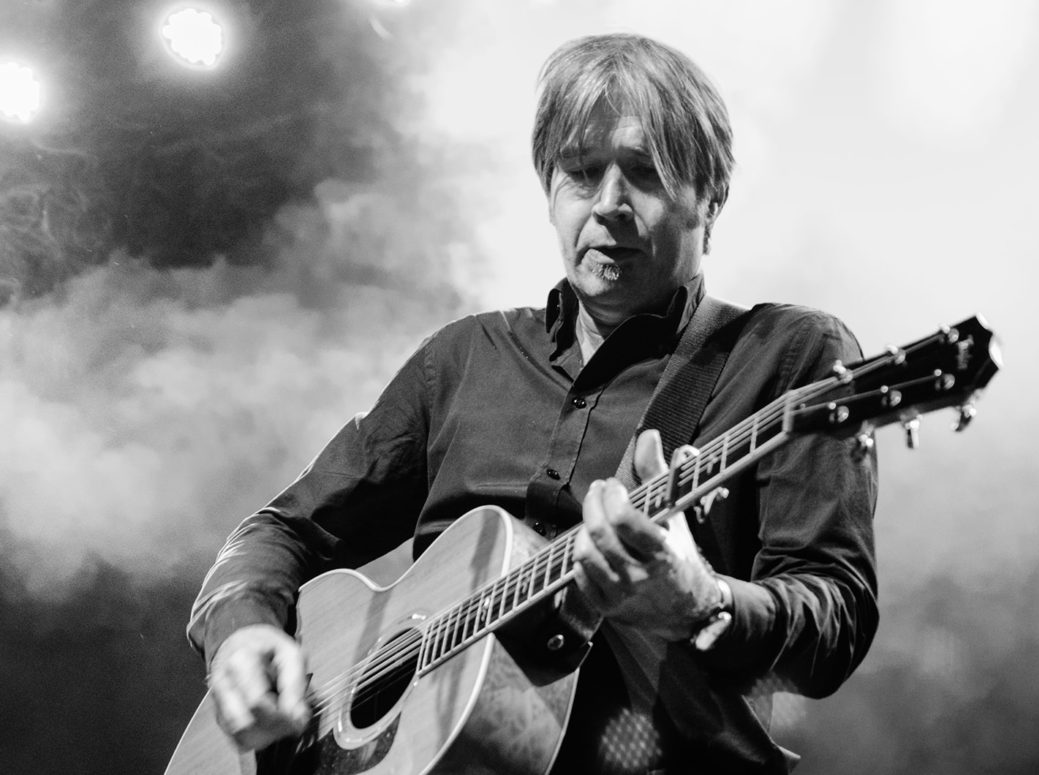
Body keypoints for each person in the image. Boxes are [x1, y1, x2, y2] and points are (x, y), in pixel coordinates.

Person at [188, 32, 878, 774]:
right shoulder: (462, 359)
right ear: (549, 192)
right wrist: (241, 632)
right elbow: (278, 533)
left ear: (710, 198)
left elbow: (833, 619)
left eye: (644, 174)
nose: (609, 205)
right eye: (581, 173)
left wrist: (702, 600)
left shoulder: (790, 356)